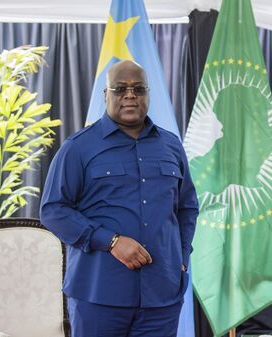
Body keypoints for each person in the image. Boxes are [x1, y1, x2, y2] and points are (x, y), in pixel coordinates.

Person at [40, 60, 198, 337]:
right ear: (106, 95)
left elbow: (187, 207)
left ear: (148, 94)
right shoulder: (78, 148)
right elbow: (53, 210)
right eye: (120, 88)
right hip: (99, 294)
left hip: (162, 294)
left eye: (138, 89)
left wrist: (181, 258)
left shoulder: (171, 145)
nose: (130, 95)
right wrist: (110, 241)